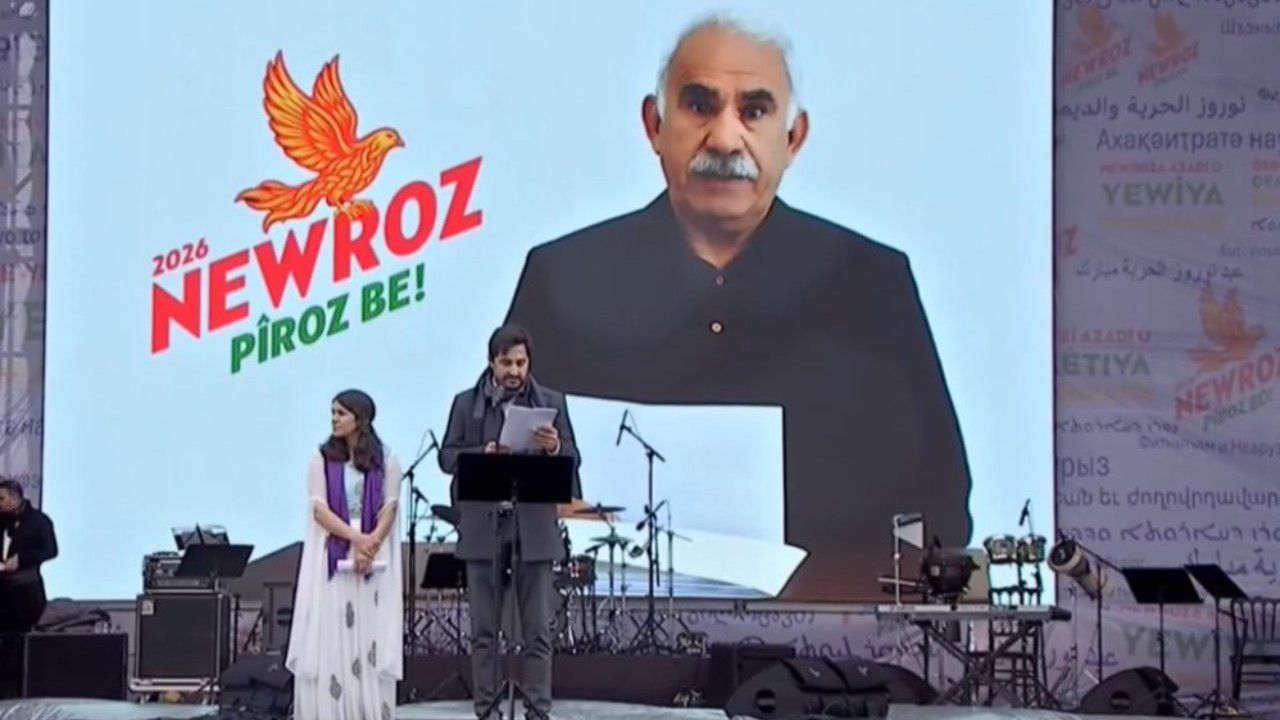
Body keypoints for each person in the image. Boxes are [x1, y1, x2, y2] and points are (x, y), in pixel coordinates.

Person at [502, 14, 973, 601]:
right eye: (700, 106)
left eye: (754, 111)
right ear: (654, 125)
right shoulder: (562, 276)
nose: (725, 140)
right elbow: (491, 477)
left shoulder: (873, 284)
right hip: (602, 631)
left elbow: (941, 507)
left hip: (823, 639)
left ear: (793, 137)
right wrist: (544, 515)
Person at [439, 323, 583, 720]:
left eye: (521, 363)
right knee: (484, 631)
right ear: (492, 363)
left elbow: (574, 455)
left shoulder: (551, 401)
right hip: (484, 525)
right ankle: (487, 709)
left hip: (533, 526)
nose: (515, 371)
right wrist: (481, 453)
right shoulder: (466, 403)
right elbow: (447, 456)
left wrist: (555, 446)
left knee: (537, 629)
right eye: (507, 363)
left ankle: (537, 709)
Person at [287, 390, 403, 720]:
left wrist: (372, 544)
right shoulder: (321, 459)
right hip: (335, 551)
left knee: (368, 634)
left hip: (373, 553)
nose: (334, 419)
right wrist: (356, 539)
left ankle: (366, 710)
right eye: (333, 412)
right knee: (332, 630)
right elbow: (319, 510)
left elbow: (390, 506)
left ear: (360, 419)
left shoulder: (388, 459)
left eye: (341, 413)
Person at [0, 478, 57, 699]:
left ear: (16, 498)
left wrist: (21, 560)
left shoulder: (39, 521)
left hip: (25, 591)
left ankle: (18, 695)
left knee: (20, 646)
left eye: (2, 499)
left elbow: (51, 550)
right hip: (2, 591)